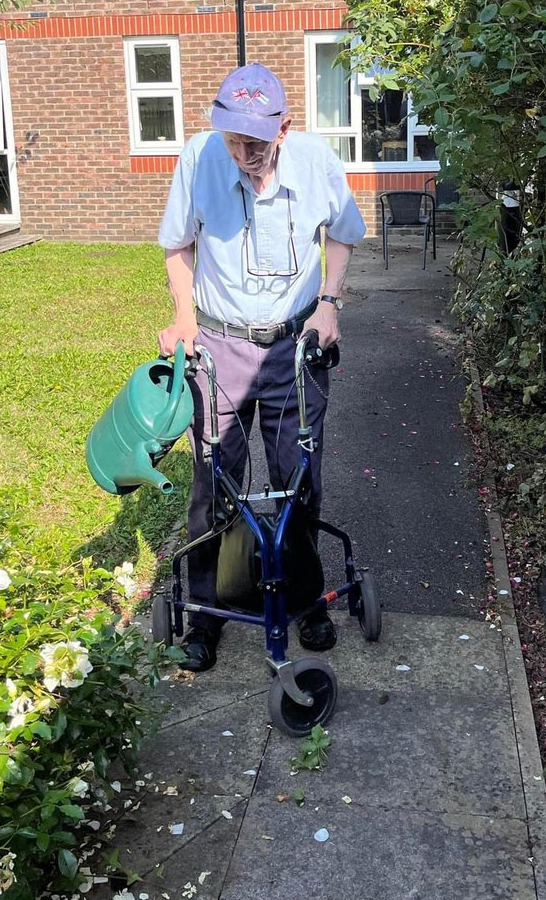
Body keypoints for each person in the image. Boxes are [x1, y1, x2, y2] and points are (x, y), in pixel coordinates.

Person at [157, 62, 366, 671]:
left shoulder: (316, 161)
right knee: (213, 483)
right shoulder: (200, 158)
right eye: (233, 138)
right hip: (219, 342)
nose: (243, 152)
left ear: (284, 128)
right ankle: (209, 612)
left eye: (255, 140)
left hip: (293, 345)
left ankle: (306, 601)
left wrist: (329, 304)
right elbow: (178, 244)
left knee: (297, 477)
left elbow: (344, 234)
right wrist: (183, 313)